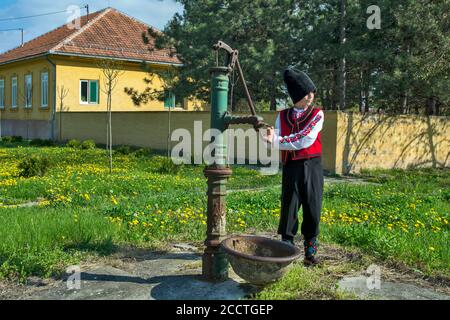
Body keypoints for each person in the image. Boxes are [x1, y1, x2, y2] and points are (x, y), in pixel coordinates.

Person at [261, 67, 324, 266]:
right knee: (289, 207)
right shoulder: (282, 115)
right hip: (290, 166)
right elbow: (272, 139)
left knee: (312, 207)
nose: (311, 96)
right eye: (307, 93)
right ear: (297, 95)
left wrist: (276, 141)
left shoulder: (317, 114)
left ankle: (310, 253)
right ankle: (285, 249)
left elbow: (304, 139)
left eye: (312, 92)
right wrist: (267, 138)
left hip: (311, 165)